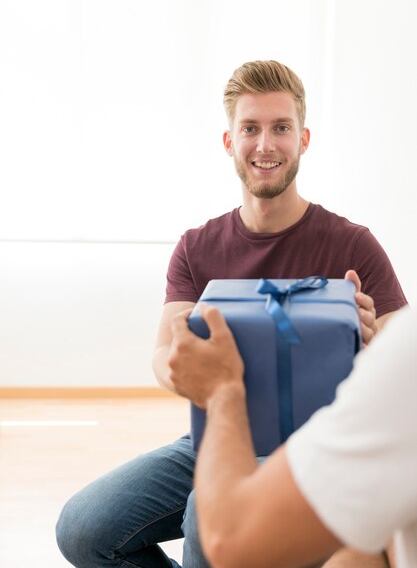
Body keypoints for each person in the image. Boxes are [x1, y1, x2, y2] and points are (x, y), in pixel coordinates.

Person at [56, 60, 407, 568]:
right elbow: (163, 354)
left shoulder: (353, 244)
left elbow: (404, 368)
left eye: (280, 128)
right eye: (250, 129)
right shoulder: (197, 247)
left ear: (303, 139)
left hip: (315, 445)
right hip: (213, 433)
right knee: (82, 529)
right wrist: (182, 359)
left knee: (208, 515)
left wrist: (372, 338)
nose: (265, 145)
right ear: (229, 142)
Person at [167, 303, 416, 568]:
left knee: (199, 513)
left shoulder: (407, 348)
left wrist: (221, 391)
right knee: (116, 518)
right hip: (237, 438)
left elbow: (229, 538)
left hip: (278, 433)